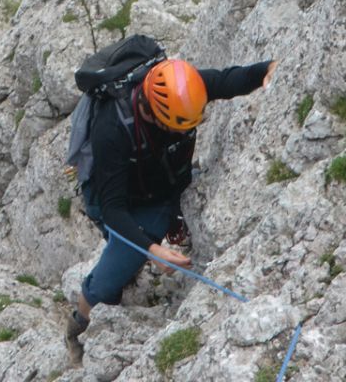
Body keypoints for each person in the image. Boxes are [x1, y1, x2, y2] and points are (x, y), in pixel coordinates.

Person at [65, 52, 277, 364]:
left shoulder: (185, 87)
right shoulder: (112, 129)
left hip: (159, 189)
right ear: (151, 112)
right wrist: (153, 249)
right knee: (113, 274)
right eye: (175, 127)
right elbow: (113, 210)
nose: (181, 133)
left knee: (131, 252)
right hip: (117, 199)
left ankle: (129, 265)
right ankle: (78, 321)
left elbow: (227, 79)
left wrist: (266, 71)